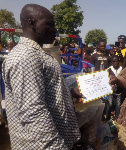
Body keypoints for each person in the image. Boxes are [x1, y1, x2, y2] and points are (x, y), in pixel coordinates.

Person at [2, 4, 81, 149]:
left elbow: (41, 93)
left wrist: (68, 94)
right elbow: (33, 112)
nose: (55, 30)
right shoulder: (25, 56)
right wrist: (57, 147)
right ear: (31, 23)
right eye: (49, 24)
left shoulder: (35, 53)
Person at [106, 56, 123, 121]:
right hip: (111, 90)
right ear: (111, 62)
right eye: (113, 61)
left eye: (116, 61)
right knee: (109, 104)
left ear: (119, 61)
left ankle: (117, 119)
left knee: (118, 105)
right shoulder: (109, 69)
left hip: (119, 90)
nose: (115, 63)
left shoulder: (122, 69)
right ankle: (107, 119)